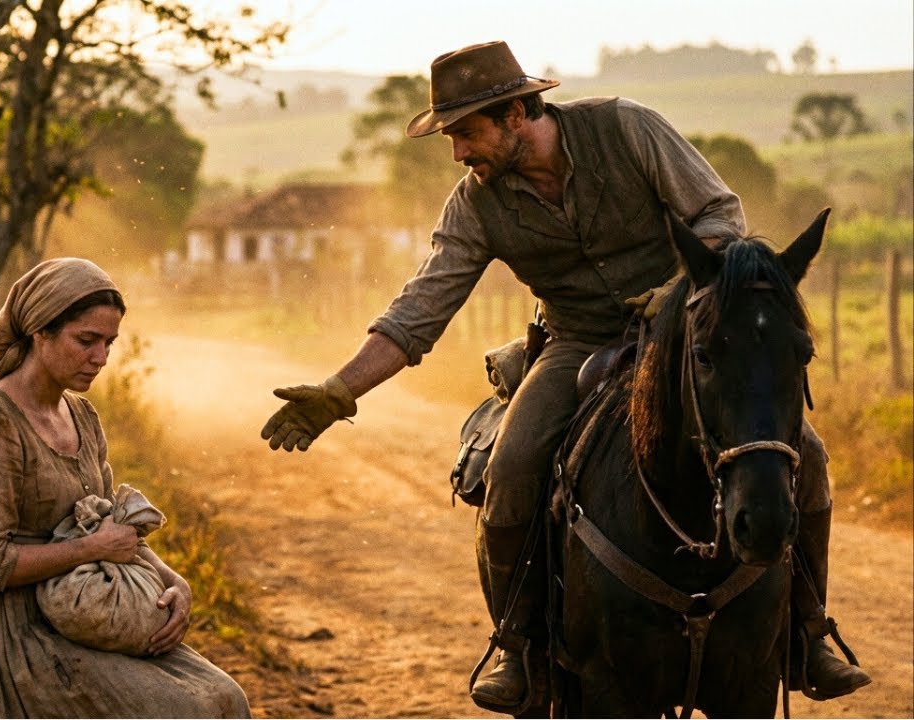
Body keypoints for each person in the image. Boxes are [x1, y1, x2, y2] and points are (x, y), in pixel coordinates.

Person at [259, 40, 868, 712]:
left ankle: (808, 634)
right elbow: (418, 310)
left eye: (466, 132)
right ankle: (518, 648)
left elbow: (719, 215)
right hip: (576, 341)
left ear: (517, 114)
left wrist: (674, 300)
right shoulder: (476, 204)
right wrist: (337, 393)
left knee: (802, 454)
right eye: (452, 138)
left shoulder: (627, 128)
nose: (459, 152)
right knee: (512, 467)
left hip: (686, 329)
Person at [0, 257, 250, 718]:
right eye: (85, 340)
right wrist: (91, 549)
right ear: (39, 333)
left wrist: (174, 580)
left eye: (108, 343)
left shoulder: (82, 417)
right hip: (4, 632)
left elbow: (110, 528)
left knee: (227, 698)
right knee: (182, 711)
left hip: (86, 608)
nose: (100, 358)